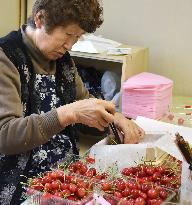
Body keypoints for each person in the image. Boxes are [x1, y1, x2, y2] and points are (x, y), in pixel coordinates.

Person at [0, 0, 144, 204]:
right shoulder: (6, 57)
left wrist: (114, 120)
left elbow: (84, 102)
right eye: (68, 35)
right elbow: (5, 135)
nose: (70, 45)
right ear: (41, 19)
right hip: (21, 186)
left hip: (65, 182)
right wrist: (68, 113)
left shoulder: (63, 61)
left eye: (77, 37)